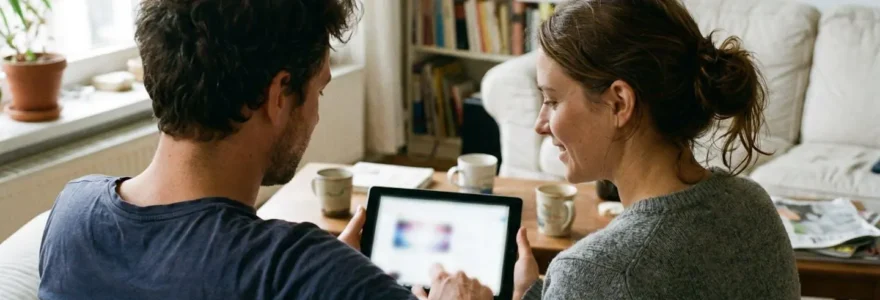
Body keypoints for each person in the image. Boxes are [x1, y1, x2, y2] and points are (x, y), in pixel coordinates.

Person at [38, 0, 492, 299]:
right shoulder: (298, 269)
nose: (315, 115)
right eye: (319, 92)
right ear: (279, 94)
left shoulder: (72, 212)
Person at [511, 0, 801, 299]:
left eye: (553, 100)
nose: (540, 124)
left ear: (619, 103)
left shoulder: (596, 272)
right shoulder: (752, 204)